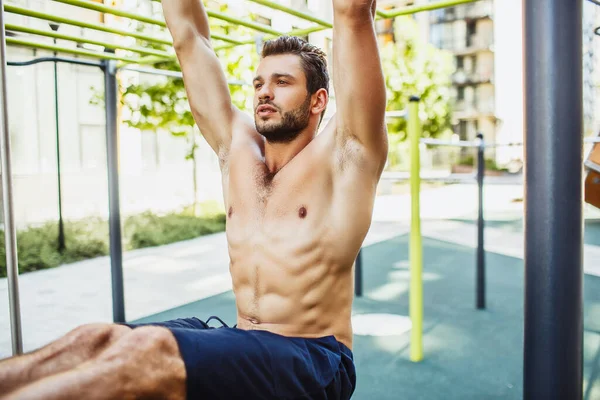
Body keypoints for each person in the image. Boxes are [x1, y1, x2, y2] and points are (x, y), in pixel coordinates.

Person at [0, 0, 387, 398]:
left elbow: (353, 13)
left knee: (146, 352)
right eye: (258, 83)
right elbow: (189, 36)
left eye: (282, 82)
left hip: (315, 357)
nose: (265, 92)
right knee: (93, 340)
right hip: (243, 338)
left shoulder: (346, 156)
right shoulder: (236, 148)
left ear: (319, 100)